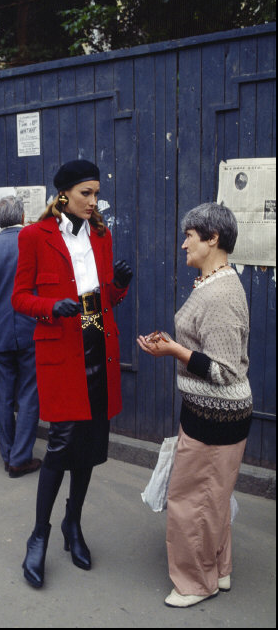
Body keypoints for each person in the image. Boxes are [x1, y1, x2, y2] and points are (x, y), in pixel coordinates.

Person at [11, 159, 133, 588]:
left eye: (97, 193)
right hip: (61, 343)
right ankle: (39, 535)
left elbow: (106, 300)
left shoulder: (101, 234)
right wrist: (50, 307)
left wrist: (119, 285)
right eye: (87, 193)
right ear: (64, 194)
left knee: (90, 444)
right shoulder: (34, 236)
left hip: (96, 336)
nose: (93, 201)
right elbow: (20, 298)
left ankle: (72, 525)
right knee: (61, 444)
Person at [137, 202, 252, 608]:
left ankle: (193, 583)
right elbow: (213, 352)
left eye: (190, 235)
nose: (183, 242)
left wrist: (174, 352)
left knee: (192, 501)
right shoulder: (215, 282)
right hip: (216, 413)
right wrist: (175, 347)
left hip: (215, 416)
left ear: (213, 238)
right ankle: (218, 570)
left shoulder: (219, 294)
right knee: (213, 497)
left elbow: (222, 370)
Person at [0, 196, 41, 477]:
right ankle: (20, 458)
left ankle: (8, 454)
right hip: (31, 332)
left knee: (3, 395)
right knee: (29, 395)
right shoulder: (35, 245)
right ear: (23, 216)